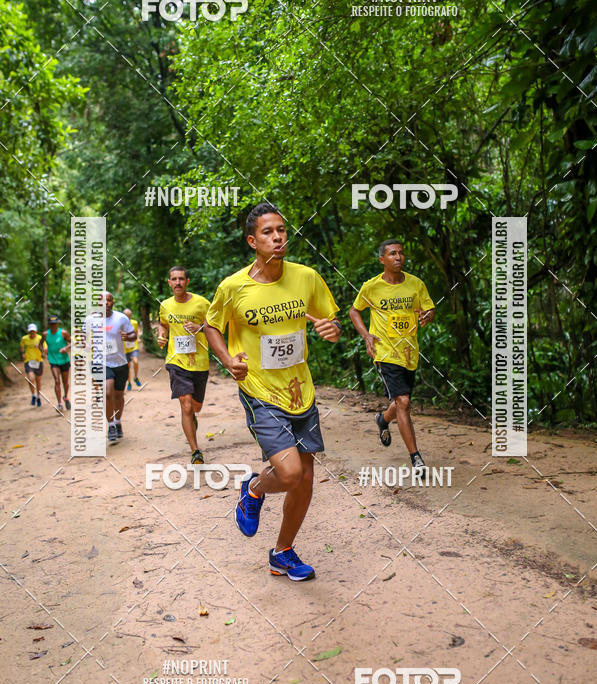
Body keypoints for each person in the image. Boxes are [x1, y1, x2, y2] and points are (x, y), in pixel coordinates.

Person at [204, 202, 341, 582]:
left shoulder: (306, 277)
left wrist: (331, 331)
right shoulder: (234, 287)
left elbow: (328, 320)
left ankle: (282, 552)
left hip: (302, 391)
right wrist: (228, 360)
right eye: (268, 232)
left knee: (306, 479)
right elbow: (211, 326)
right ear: (252, 241)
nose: (278, 236)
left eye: (281, 229)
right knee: (291, 472)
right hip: (260, 390)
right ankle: (254, 488)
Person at [349, 239, 435, 473]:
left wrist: (428, 316)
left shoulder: (416, 284)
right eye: (392, 254)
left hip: (409, 352)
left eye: (401, 253)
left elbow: (429, 309)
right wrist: (366, 335)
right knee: (403, 402)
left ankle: (383, 420)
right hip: (384, 351)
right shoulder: (372, 287)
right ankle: (416, 457)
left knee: (400, 402)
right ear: (382, 260)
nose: (398, 257)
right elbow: (354, 310)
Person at [158, 267, 210, 465]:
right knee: (185, 403)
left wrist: (200, 328)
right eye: (174, 279)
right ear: (169, 282)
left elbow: (215, 326)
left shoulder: (201, 303)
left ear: (187, 281)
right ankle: (195, 451)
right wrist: (162, 335)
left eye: (181, 279)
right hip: (176, 361)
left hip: (199, 362)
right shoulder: (165, 305)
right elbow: (163, 324)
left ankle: (191, 418)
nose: (178, 282)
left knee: (195, 407)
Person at [84, 292, 136, 443]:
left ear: (113, 302)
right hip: (100, 362)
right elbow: (83, 338)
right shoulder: (90, 320)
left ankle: (118, 421)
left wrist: (127, 336)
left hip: (120, 362)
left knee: (119, 395)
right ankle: (111, 424)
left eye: (109, 300)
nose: (106, 302)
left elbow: (133, 335)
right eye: (102, 300)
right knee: (107, 392)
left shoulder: (121, 318)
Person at [42, 315, 71, 412]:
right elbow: (40, 344)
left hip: (64, 360)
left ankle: (66, 397)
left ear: (58, 323)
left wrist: (66, 348)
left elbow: (72, 342)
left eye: (55, 324)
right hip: (53, 361)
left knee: (65, 382)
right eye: (51, 324)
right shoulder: (45, 334)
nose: (53, 326)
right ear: (49, 325)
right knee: (57, 381)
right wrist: (43, 351)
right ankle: (59, 404)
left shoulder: (63, 333)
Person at [20, 323, 46, 407]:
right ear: (28, 332)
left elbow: (45, 349)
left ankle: (38, 396)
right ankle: (33, 395)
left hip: (38, 361)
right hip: (29, 361)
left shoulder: (40, 339)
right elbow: (22, 346)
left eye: (33, 331)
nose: (32, 333)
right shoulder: (24, 338)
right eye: (30, 331)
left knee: (38, 380)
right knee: (31, 379)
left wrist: (39, 348)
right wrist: (23, 353)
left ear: (36, 331)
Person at [123, 308, 141, 390]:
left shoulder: (134, 323)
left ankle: (136, 377)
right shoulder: (120, 324)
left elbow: (136, 333)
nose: (127, 317)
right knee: (128, 366)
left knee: (135, 361)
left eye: (129, 315)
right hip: (124, 348)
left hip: (134, 346)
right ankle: (129, 382)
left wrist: (138, 339)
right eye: (126, 315)